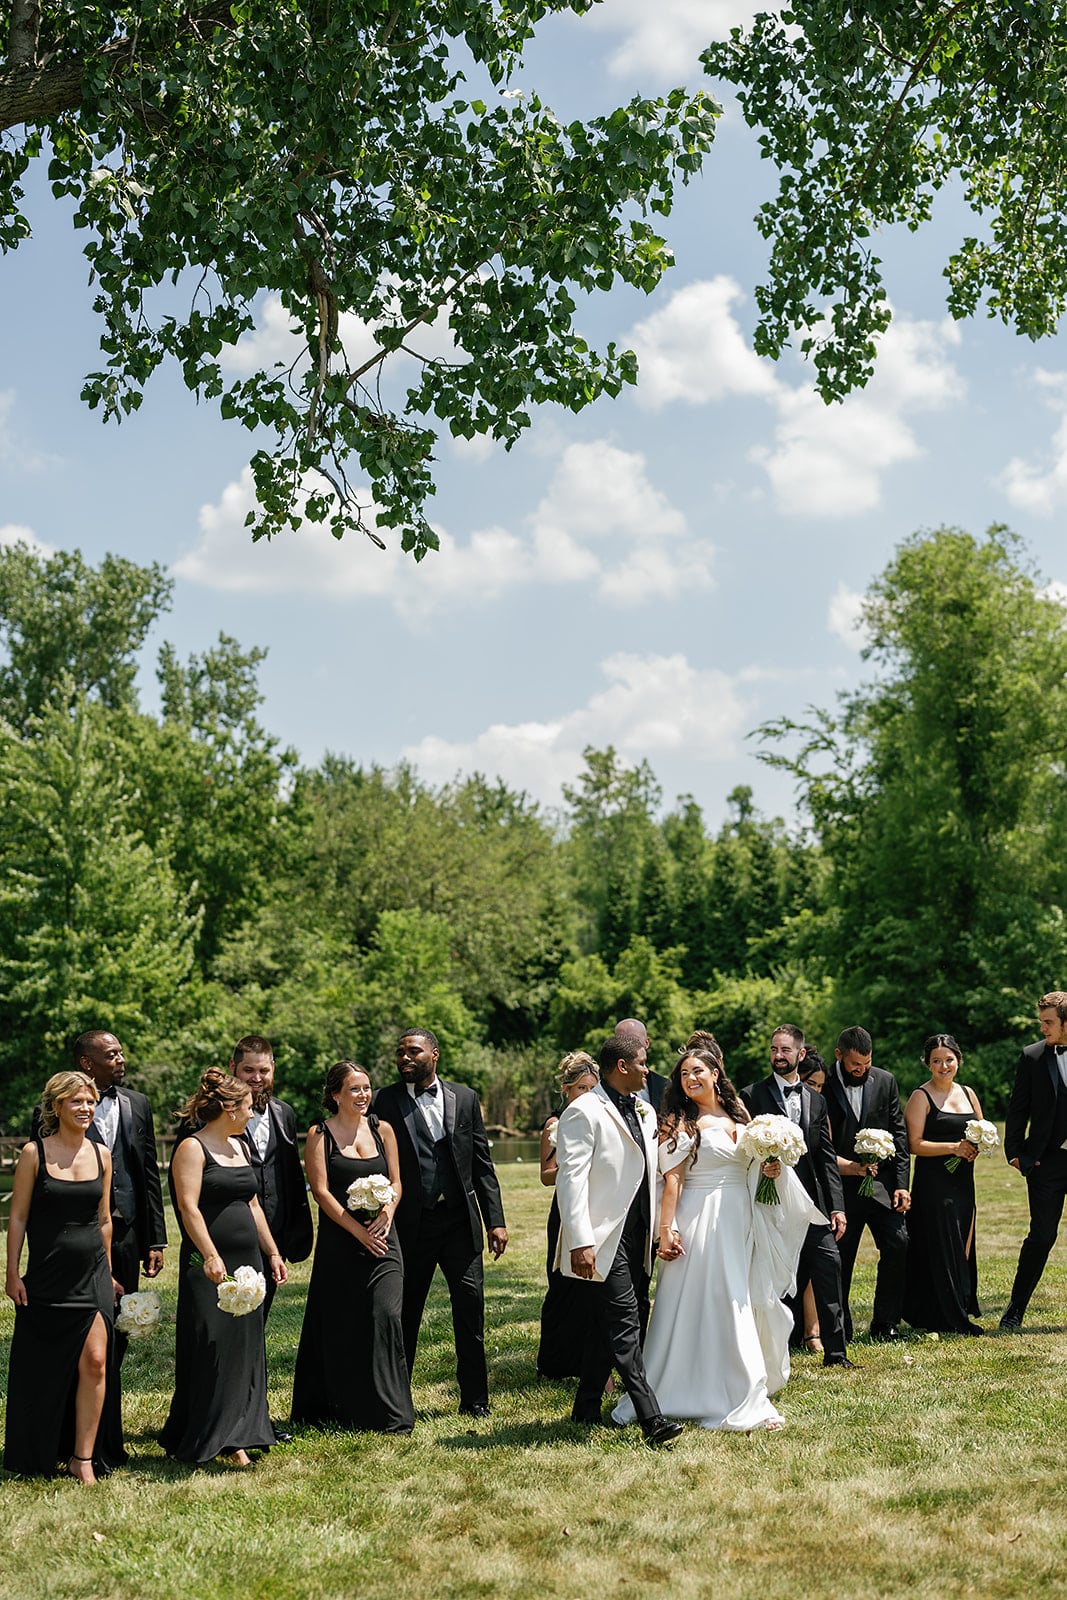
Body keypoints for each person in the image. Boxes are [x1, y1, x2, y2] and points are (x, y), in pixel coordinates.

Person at [614, 1047, 821, 1431]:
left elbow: (752, 1168)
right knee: (721, 1299)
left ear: (714, 1073)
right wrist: (666, 1229)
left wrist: (771, 1166)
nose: (690, 1079)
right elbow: (672, 1181)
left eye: (697, 1071)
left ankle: (733, 1382)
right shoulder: (678, 1121)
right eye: (683, 1075)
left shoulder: (739, 1112)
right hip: (700, 1217)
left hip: (739, 1216)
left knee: (736, 1295)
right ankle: (736, 1391)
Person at [554, 1034, 682, 1446]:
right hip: (602, 1236)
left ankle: (586, 1406)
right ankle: (652, 1418)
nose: (648, 1069)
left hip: (639, 1235)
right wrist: (580, 1241)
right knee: (626, 1324)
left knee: (606, 1325)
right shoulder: (583, 1111)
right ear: (622, 1066)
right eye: (643, 1062)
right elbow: (569, 1181)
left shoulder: (645, 1111)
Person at [373, 1027, 507, 1418]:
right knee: (405, 1313)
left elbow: (481, 1163)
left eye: (413, 1051)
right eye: (400, 1053)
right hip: (412, 1226)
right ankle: (398, 1401)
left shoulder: (464, 1098)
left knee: (470, 1309)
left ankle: (476, 1400)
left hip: (459, 1225)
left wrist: (495, 1220)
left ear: (435, 1054)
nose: (404, 1059)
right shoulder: (384, 1101)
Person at [160, 1069, 287, 1467]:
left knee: (244, 1346)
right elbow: (188, 1207)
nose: (252, 1114)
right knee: (211, 1345)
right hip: (208, 1263)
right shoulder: (192, 1148)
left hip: (247, 1261)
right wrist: (212, 1255)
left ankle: (241, 1434)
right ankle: (206, 1433)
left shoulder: (241, 1146)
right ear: (229, 1108)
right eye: (248, 1107)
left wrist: (272, 1252)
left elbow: (252, 1205)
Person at [5, 1071, 126, 1483]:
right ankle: (38, 1447)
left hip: (91, 1275)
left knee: (95, 1361)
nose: (85, 1108)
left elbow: (105, 1220)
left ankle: (83, 1458)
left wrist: (107, 1273)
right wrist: (12, 1273)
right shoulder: (33, 1154)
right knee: (43, 1369)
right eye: (76, 1101)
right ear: (56, 1107)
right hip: (45, 1278)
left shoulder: (102, 1155)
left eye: (90, 1101)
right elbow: (18, 1217)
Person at [291, 1062, 414, 1434]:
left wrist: (389, 1211)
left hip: (384, 1240)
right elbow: (321, 1192)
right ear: (335, 1095)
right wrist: (357, 1232)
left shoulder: (383, 1130)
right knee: (341, 1322)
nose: (363, 1095)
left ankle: (391, 1412)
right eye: (355, 1089)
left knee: (385, 1315)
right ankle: (342, 1407)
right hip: (340, 1243)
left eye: (366, 1088)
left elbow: (397, 1181)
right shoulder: (319, 1134)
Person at [34, 1031, 167, 1361]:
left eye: (121, 1053)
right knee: (79, 1320)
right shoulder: (50, 1112)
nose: (121, 1059)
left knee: (121, 1316)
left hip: (127, 1228)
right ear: (86, 1063)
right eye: (111, 1055)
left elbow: (148, 1173)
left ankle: (108, 1393)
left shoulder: (138, 1103)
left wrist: (155, 1240)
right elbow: (43, 1180)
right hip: (77, 1231)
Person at [741, 1026, 855, 1368]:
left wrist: (836, 1207)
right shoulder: (752, 1095)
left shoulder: (816, 1100)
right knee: (771, 1275)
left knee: (828, 1263)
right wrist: (763, 1166)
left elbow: (825, 1158)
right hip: (769, 1201)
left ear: (800, 1054)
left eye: (786, 1050)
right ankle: (769, 1353)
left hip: (809, 1204)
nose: (778, 1055)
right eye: (774, 1049)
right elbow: (743, 1151)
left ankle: (836, 1353)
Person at [821, 1024, 911, 1341]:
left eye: (867, 1063)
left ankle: (885, 1323)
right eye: (854, 1065)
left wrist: (901, 1184)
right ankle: (840, 1328)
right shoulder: (821, 1082)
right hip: (841, 1188)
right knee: (841, 1258)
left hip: (882, 1186)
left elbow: (899, 1134)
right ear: (839, 1056)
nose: (861, 1070)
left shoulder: (885, 1081)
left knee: (899, 1244)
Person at [902, 1034, 984, 1336]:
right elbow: (913, 1144)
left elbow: (980, 1130)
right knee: (941, 1244)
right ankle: (945, 1315)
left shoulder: (968, 1093)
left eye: (949, 1059)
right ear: (928, 1064)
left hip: (964, 1181)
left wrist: (977, 1146)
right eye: (936, 1061)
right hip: (934, 1184)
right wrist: (953, 1148)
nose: (943, 1065)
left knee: (962, 1240)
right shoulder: (920, 1097)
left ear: (958, 1060)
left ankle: (960, 1304)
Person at [228, 1035, 313, 1316]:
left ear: (273, 1068)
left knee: (260, 1314)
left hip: (275, 1234)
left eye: (263, 1070)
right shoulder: (211, 1115)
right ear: (233, 1068)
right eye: (248, 1070)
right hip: (231, 1232)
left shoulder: (284, 1112)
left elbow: (289, 1176)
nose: (257, 1077)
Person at [1002, 991, 1067, 1330]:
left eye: (1048, 1022)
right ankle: (1015, 1309)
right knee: (1041, 1236)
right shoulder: (1032, 1057)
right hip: (1047, 1163)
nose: (1042, 1028)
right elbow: (1018, 1107)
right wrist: (1014, 1152)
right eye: (1042, 1022)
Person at [536, 1051, 601, 1379]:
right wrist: (570, 1166)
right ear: (566, 1089)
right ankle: (555, 1362)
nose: (586, 1095)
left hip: (598, 1207)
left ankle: (592, 1360)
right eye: (580, 1089)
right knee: (562, 1285)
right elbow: (546, 1174)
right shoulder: (555, 1124)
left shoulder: (603, 1119)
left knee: (594, 1288)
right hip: (565, 1210)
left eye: (592, 1088)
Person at [796, 1045, 829, 1349]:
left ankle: (813, 1329)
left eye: (820, 1085)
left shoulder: (819, 1106)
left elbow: (826, 1156)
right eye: (811, 1084)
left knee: (815, 1261)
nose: (817, 1090)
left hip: (813, 1191)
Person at [615, 1018, 669, 1112]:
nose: (628, 1046)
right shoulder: (600, 1085)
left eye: (633, 1040)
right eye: (621, 1040)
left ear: (647, 1043)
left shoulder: (665, 1087)